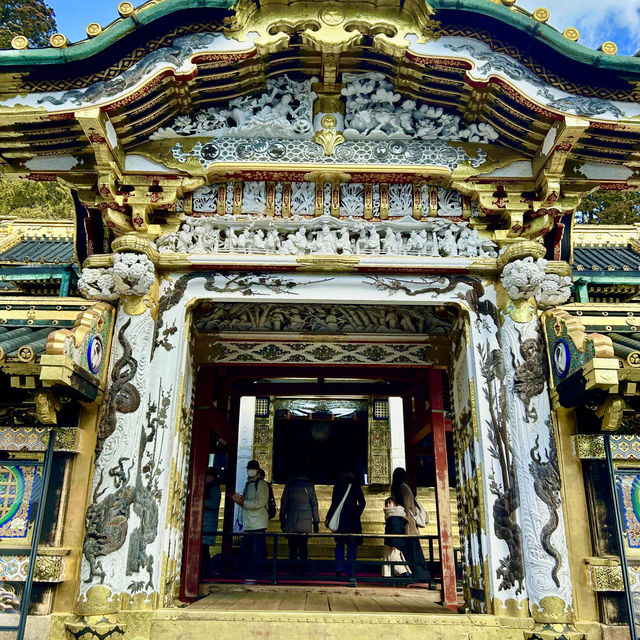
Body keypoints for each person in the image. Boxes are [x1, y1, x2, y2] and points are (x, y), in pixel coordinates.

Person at [227, 459, 269, 581]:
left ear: (258, 471)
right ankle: (248, 573)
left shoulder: (261, 484)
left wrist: (244, 502)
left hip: (258, 523)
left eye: (252, 469)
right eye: (249, 469)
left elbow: (260, 502)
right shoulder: (249, 484)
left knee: (256, 551)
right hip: (248, 523)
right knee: (246, 550)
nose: (250, 471)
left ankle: (255, 574)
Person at [390, 467, 431, 581]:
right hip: (407, 524)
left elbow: (407, 507)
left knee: (411, 551)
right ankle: (416, 574)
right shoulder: (404, 487)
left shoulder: (402, 488)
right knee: (412, 551)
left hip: (407, 524)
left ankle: (417, 574)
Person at [325, 471, 366, 576]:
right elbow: (362, 502)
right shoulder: (355, 485)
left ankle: (339, 566)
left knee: (340, 544)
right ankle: (350, 569)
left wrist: (328, 517)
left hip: (341, 520)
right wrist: (357, 512)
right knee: (352, 544)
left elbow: (334, 504)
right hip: (353, 520)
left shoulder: (338, 485)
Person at [280, 468, 320, 574]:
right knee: (303, 546)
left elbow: (284, 503)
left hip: (291, 520)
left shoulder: (290, 485)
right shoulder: (309, 486)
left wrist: (282, 519)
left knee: (292, 547)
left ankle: (293, 569)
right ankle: (303, 569)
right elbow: (314, 505)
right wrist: (316, 521)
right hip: (305, 521)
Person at [382, 497, 411, 579]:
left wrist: (394, 543)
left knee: (393, 559)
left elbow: (396, 531)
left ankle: (404, 574)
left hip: (393, 543)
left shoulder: (394, 517)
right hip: (392, 542)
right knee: (390, 559)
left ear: (396, 504)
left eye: (390, 503)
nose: (387, 505)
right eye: (386, 503)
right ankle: (390, 577)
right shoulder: (396, 516)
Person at [202, 467, 221, 576]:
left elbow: (214, 504)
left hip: (207, 524)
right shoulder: (209, 487)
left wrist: (201, 500)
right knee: (203, 550)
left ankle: (205, 572)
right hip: (205, 523)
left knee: (204, 550)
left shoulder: (213, 488)